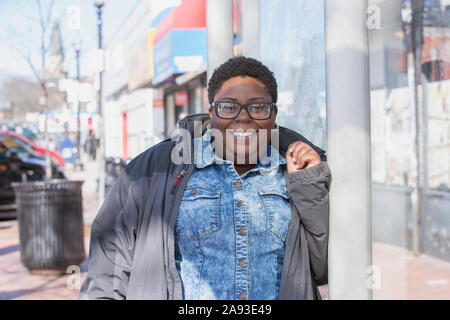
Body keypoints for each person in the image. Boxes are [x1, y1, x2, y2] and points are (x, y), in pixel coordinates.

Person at [80, 57, 331, 300]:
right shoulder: (155, 171)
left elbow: (323, 269)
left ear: (273, 114)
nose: (242, 117)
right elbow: (108, 273)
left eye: (257, 107)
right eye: (229, 106)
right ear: (212, 112)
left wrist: (308, 187)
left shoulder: (296, 175)